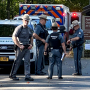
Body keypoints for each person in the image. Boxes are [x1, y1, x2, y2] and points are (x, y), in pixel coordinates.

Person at [9, 14, 34, 81]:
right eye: (25, 20)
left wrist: (31, 44)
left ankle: (27, 76)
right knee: (17, 61)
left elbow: (31, 37)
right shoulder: (19, 28)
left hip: (27, 47)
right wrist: (19, 45)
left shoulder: (29, 29)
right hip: (20, 48)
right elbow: (14, 37)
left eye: (27, 20)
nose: (26, 21)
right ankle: (13, 75)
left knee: (27, 62)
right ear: (23, 20)